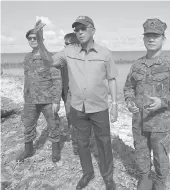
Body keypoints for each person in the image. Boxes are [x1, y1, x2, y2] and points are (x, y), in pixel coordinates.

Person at [37, 16, 118, 190]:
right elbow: (49, 61)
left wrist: (115, 104)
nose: (79, 32)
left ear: (93, 30)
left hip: (100, 107)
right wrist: (40, 41)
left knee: (104, 143)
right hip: (78, 107)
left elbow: (112, 79)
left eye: (83, 28)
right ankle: (87, 173)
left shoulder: (105, 53)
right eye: (76, 29)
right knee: (81, 143)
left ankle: (108, 178)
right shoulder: (69, 52)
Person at [123, 18, 170, 190]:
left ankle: (159, 182)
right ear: (143, 39)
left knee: (161, 155)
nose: (151, 39)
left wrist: (163, 102)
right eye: (148, 36)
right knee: (141, 151)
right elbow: (128, 88)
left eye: (155, 36)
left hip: (161, 122)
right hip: (139, 121)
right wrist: (129, 102)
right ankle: (144, 178)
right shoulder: (137, 65)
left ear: (163, 39)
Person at [16, 20, 62, 163]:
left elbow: (57, 79)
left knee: (53, 125)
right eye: (30, 38)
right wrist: (25, 97)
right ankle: (29, 150)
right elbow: (27, 79)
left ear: (41, 39)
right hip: (30, 100)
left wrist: (56, 100)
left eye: (35, 38)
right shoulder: (27, 58)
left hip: (47, 100)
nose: (32, 40)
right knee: (28, 124)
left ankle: (55, 151)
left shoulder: (50, 57)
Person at [61, 33, 80, 155]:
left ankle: (83, 143)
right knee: (71, 120)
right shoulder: (63, 60)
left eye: (67, 44)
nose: (65, 46)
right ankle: (76, 146)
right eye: (65, 44)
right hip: (68, 95)